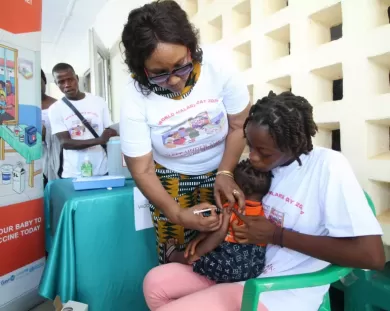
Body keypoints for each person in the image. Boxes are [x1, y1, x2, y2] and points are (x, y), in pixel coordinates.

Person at [142, 91, 385, 311]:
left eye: (264, 153)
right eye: (251, 147)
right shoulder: (263, 170)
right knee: (155, 283)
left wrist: (276, 236)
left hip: (280, 291)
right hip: (240, 269)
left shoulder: (327, 167)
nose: (255, 158)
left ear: (294, 144)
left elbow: (371, 256)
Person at [120, 0, 250, 264]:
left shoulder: (218, 65)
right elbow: (142, 169)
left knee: (229, 251)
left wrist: (225, 172)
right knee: (179, 259)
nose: (174, 80)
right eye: (159, 74)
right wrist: (177, 213)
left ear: (191, 49)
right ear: (141, 69)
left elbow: (239, 126)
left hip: (225, 166)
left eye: (181, 66)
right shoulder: (134, 96)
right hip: (169, 181)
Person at [162, 159, 270, 283]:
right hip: (254, 268)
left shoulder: (232, 208)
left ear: (241, 189)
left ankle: (174, 256)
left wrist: (197, 251)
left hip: (229, 265)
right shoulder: (264, 210)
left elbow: (219, 234)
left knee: (200, 254)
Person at [48, 63, 117, 178]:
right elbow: (65, 143)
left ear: (77, 78)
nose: (67, 85)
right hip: (73, 173)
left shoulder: (98, 102)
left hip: (102, 169)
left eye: (70, 79)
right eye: (61, 82)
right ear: (56, 84)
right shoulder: (55, 109)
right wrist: (99, 140)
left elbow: (109, 129)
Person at [41, 70, 59, 185]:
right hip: (35, 158)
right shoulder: (20, 108)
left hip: (55, 157)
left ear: (45, 81)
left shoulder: (58, 105)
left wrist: (46, 134)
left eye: (39, 82)